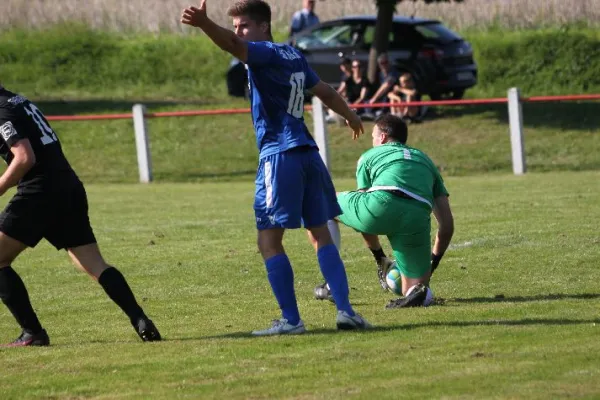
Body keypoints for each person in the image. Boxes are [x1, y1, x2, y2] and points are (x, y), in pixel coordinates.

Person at [181, 0, 371, 335]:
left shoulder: (264, 53)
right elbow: (324, 90)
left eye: (244, 26)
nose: (239, 33)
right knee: (320, 234)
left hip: (279, 155)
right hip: (307, 153)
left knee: (268, 241)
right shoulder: (293, 53)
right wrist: (351, 114)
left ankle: (292, 321)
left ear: (263, 27)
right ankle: (345, 311)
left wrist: (204, 24)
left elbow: (232, 44)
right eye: (237, 26)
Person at [0, 85, 161, 346]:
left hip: (40, 191)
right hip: (68, 186)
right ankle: (140, 319)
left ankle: (33, 333)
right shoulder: (16, 101)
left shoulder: (2, 110)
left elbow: (24, 157)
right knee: (94, 263)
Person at [312, 114, 454, 308]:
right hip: (417, 217)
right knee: (415, 287)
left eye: (373, 137)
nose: (373, 141)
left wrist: (379, 256)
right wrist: (433, 262)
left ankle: (332, 284)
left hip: (381, 203)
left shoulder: (369, 156)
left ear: (383, 137)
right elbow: (446, 225)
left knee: (321, 203)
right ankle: (419, 292)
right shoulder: (425, 160)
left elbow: (365, 209)